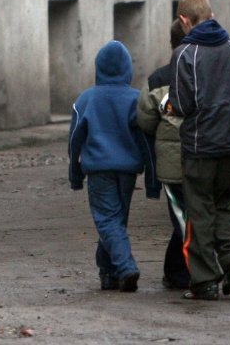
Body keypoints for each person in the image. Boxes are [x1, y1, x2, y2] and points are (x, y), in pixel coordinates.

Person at [168, 0, 230, 300]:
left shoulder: (184, 54)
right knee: (225, 203)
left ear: (184, 20)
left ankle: (205, 279)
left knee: (200, 211)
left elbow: (182, 103)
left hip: (200, 144)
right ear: (211, 14)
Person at [68, 40, 160, 293]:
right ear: (127, 69)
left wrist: (75, 175)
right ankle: (107, 274)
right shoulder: (135, 100)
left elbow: (75, 141)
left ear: (98, 68)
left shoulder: (86, 100)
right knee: (115, 221)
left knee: (108, 221)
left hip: (99, 170)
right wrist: (153, 182)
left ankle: (126, 267)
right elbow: (146, 142)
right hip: (128, 172)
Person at [137, 19, 191, 291]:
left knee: (181, 216)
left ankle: (178, 271)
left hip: (170, 163)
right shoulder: (206, 72)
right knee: (194, 216)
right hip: (204, 153)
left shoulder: (158, 78)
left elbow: (145, 119)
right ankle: (182, 271)